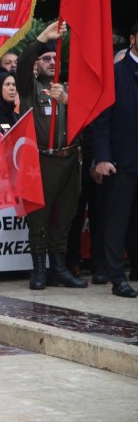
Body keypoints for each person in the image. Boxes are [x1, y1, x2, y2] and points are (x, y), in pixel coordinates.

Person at [16, 21, 86, 290]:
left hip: (69, 159)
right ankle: (40, 271)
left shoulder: (68, 88)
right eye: (45, 58)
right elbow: (23, 64)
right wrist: (40, 39)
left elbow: (89, 114)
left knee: (65, 216)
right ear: (38, 63)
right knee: (39, 217)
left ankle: (59, 268)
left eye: (55, 58)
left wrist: (68, 100)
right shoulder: (30, 87)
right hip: (42, 161)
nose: (51, 62)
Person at [91, 20, 138, 298]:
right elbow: (101, 121)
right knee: (117, 220)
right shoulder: (115, 74)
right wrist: (103, 157)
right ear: (132, 38)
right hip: (122, 159)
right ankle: (116, 276)